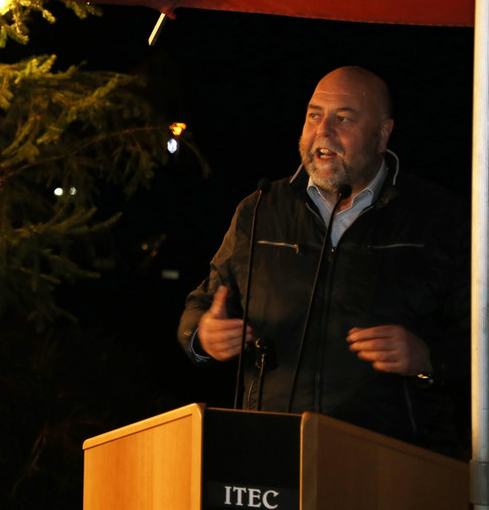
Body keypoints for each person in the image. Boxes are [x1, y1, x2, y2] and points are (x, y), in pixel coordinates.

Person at [177, 66, 469, 456]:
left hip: (393, 461)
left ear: (383, 134)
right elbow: (202, 303)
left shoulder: (440, 218)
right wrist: (204, 335)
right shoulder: (261, 209)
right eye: (314, 115)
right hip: (274, 451)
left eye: (343, 119)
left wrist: (428, 357)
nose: (323, 131)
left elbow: (477, 339)